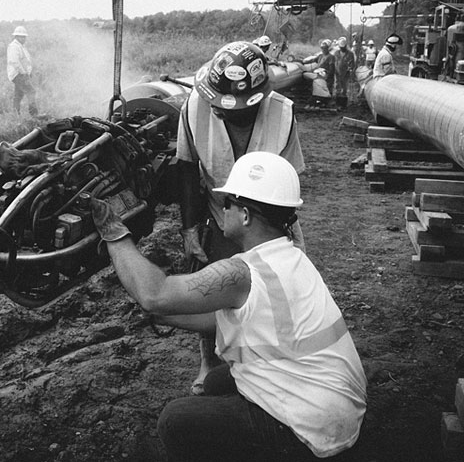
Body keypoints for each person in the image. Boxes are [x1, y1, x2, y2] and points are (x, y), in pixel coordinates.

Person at [91, 152, 367, 461]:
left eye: (227, 204)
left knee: (176, 420)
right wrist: (165, 317)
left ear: (246, 215)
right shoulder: (289, 257)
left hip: (311, 430)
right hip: (339, 411)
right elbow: (230, 319)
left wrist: (114, 234)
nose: (222, 210)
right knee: (215, 381)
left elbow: (155, 293)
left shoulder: (240, 273)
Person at [176, 41, 305, 396]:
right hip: (220, 213)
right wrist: (189, 231)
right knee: (210, 289)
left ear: (257, 102)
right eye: (217, 106)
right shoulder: (195, 108)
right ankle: (209, 362)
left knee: (273, 290)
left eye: (230, 111)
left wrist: (279, 241)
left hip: (268, 217)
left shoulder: (282, 114)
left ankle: (266, 360)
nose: (220, 113)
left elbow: (288, 178)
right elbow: (187, 170)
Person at [6, 25, 38, 115]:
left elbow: (26, 60)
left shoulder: (21, 46)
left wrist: (29, 71)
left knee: (18, 96)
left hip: (22, 74)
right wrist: (24, 73)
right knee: (31, 91)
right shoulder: (13, 46)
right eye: (21, 36)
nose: (24, 38)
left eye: (24, 37)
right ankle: (34, 114)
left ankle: (16, 115)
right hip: (18, 74)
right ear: (16, 36)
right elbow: (14, 61)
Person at [302, 40, 336, 108]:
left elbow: (332, 69)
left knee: (324, 89)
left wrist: (327, 77)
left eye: (325, 48)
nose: (323, 49)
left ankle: (324, 100)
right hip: (318, 74)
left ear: (328, 48)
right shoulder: (320, 56)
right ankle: (314, 95)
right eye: (322, 48)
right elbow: (313, 60)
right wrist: (302, 61)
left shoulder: (331, 57)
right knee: (305, 75)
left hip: (325, 75)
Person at [332, 37, 356, 108]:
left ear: (346, 46)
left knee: (344, 88)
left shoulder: (350, 54)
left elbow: (352, 64)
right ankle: (337, 102)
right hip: (337, 73)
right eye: (341, 47)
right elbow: (335, 63)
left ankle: (343, 103)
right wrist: (336, 71)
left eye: (343, 47)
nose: (342, 48)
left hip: (346, 74)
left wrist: (350, 69)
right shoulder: (336, 53)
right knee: (337, 87)